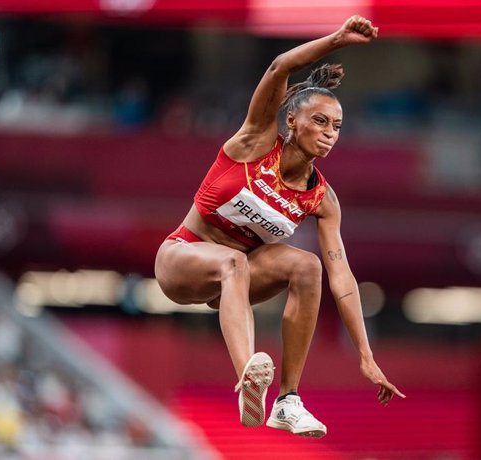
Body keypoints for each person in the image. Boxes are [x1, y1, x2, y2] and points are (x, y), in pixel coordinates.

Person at [154, 15, 405, 438]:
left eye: (338, 127)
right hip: (182, 259)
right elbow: (279, 68)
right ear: (292, 121)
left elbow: (342, 277)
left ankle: (287, 401)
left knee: (308, 267)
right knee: (233, 261)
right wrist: (337, 40)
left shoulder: (322, 199)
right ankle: (247, 382)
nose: (330, 134)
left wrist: (365, 353)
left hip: (234, 284)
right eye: (320, 122)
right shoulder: (254, 142)